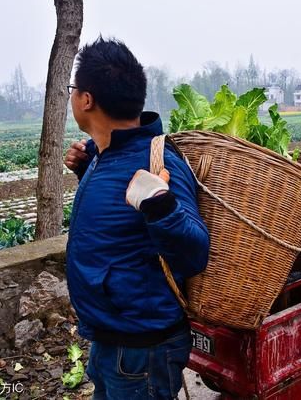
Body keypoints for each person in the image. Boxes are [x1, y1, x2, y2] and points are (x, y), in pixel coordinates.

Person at [64, 37, 210, 400]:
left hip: (142, 350)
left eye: (73, 88)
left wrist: (159, 204)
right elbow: (125, 223)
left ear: (86, 99)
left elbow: (195, 253)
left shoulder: (159, 162)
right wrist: (87, 173)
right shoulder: (105, 153)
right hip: (110, 339)